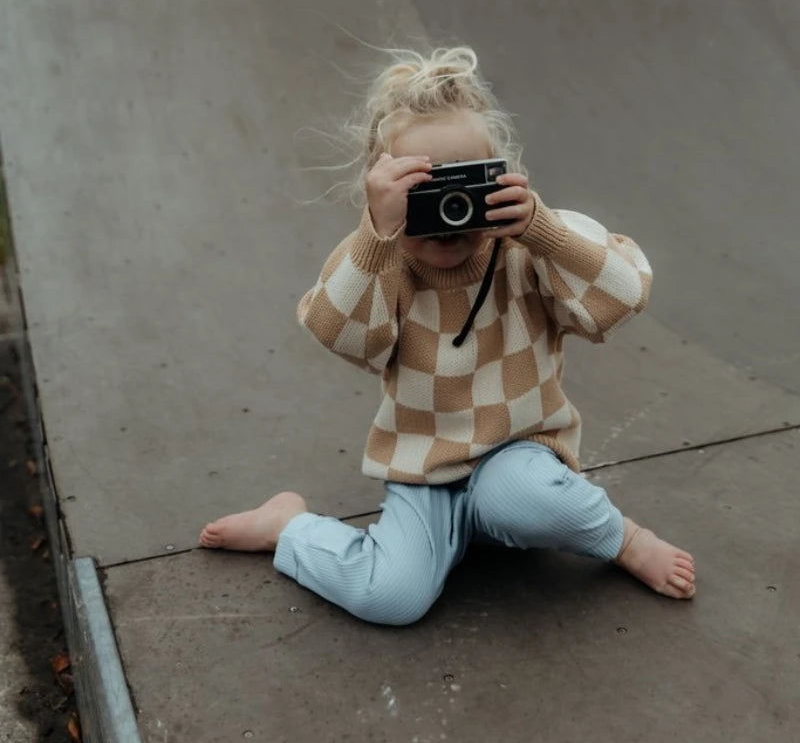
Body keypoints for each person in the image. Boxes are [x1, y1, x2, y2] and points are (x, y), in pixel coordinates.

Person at [199, 46, 695, 625]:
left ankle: (624, 539)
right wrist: (375, 234)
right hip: (425, 474)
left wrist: (542, 228)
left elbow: (625, 293)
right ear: (380, 191)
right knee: (392, 599)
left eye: (463, 186)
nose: (449, 212)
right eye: (422, 193)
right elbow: (336, 331)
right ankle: (290, 527)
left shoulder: (525, 248)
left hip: (520, 458)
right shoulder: (380, 263)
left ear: (501, 179)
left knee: (521, 495)